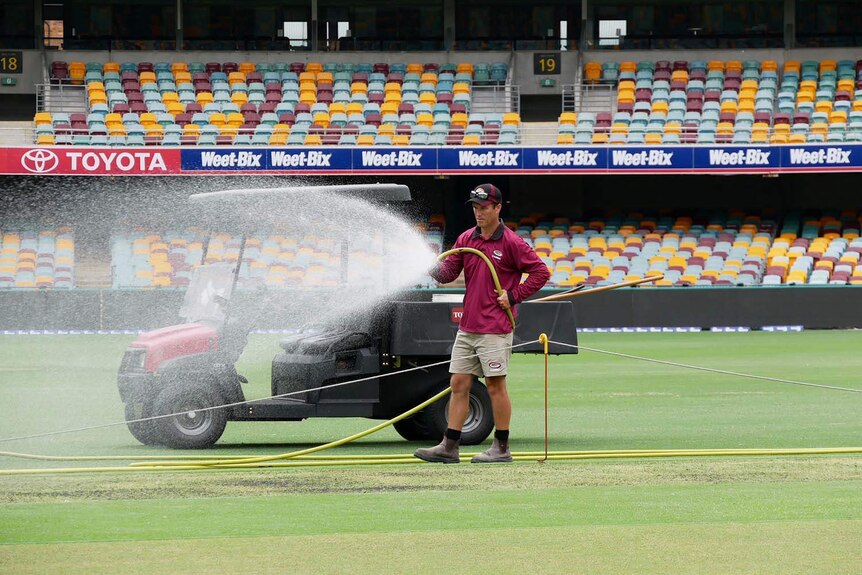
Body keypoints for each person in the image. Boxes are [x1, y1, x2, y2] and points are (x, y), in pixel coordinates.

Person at [414, 183, 550, 464]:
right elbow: (448, 273)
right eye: (475, 207)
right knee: (459, 383)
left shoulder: (512, 243)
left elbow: (541, 272)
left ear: (497, 208)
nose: (478, 212)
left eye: (484, 207)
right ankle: (449, 446)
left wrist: (513, 295)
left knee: (495, 386)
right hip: (469, 326)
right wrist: (428, 263)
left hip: (495, 328)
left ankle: (501, 447)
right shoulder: (466, 238)